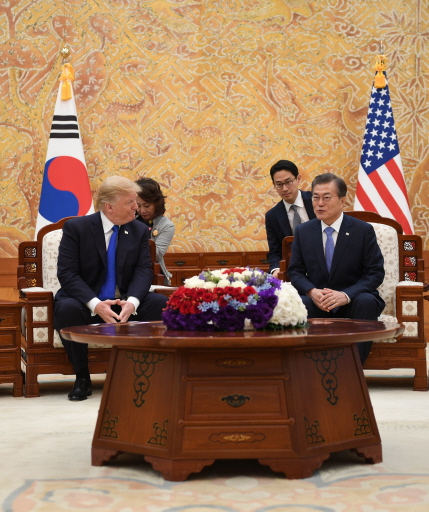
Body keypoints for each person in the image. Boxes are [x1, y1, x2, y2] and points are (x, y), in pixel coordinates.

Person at [53, 176, 168, 401]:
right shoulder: (77, 228)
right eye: (130, 202)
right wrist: (96, 305)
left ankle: (146, 374)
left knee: (161, 305)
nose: (136, 207)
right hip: (87, 302)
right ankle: (82, 377)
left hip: (123, 303)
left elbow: (144, 271)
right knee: (67, 309)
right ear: (109, 206)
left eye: (135, 202)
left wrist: (132, 302)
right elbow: (67, 274)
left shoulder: (138, 230)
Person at [287, 173, 385, 364]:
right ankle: (309, 367)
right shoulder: (303, 231)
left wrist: (346, 295)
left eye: (326, 197)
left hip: (353, 300)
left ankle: (353, 367)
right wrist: (312, 292)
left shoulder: (362, 230)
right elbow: (295, 272)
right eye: (315, 197)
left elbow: (375, 273)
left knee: (366, 301)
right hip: (319, 301)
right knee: (299, 304)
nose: (319, 203)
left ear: (342, 201)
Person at [265, 159, 316, 278]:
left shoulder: (316, 201)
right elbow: (275, 252)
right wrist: (276, 270)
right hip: (294, 271)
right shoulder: (272, 216)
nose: (284, 189)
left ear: (298, 179)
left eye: (288, 182)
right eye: (279, 184)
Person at [135, 177, 175, 285]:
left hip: (153, 276)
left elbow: (156, 255)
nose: (142, 210)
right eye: (138, 206)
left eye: (147, 206)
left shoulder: (166, 225)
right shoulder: (129, 220)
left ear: (157, 203)